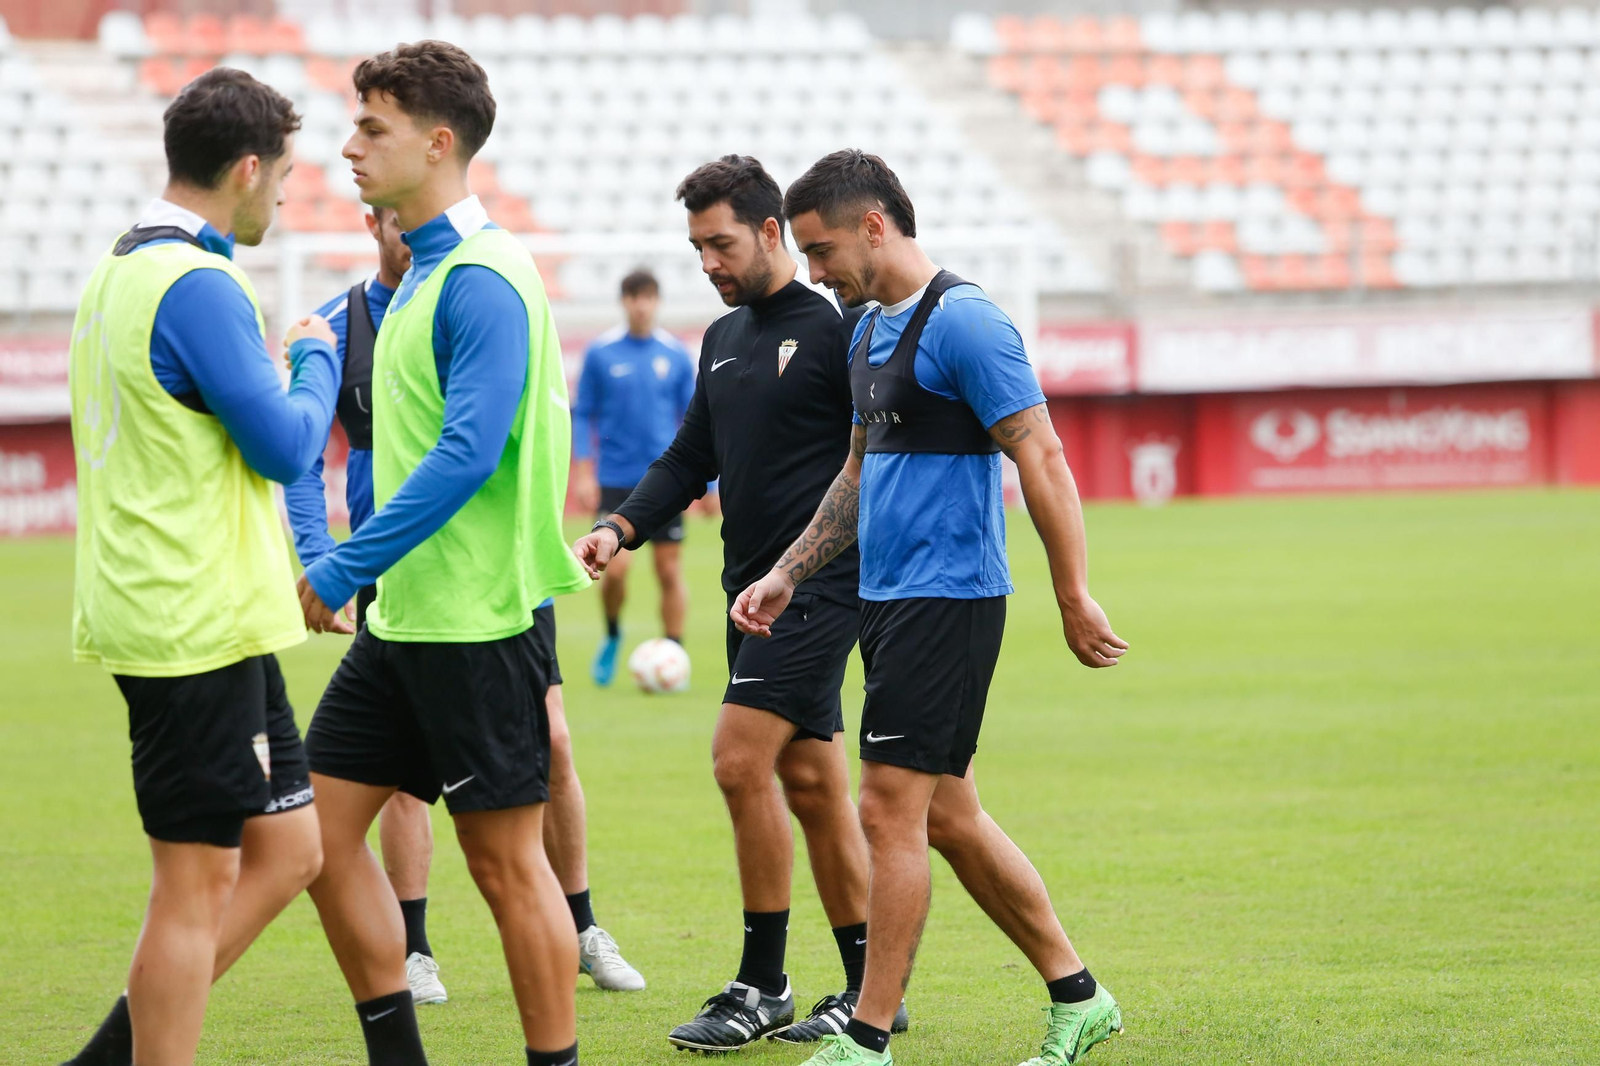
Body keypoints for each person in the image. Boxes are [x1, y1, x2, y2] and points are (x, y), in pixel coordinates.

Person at [732, 150, 1130, 1066]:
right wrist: (790, 570)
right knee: (948, 817)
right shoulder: (870, 332)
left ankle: (867, 1037)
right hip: (887, 598)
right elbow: (859, 473)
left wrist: (1072, 593)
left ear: (876, 225)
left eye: (823, 250)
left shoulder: (969, 322)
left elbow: (1043, 455)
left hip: (948, 600)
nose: (817, 270)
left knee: (886, 810)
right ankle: (1079, 995)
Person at [293, 41, 590, 1066]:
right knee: (312, 840)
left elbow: (469, 451)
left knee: (507, 869)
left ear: (437, 140)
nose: (348, 147)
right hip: (403, 622)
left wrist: (336, 563)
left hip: (475, 624)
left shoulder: (485, 277)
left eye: (371, 128)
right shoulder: (417, 277)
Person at [571, 155, 905, 1051]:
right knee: (808, 781)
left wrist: (811, 564)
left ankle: (763, 985)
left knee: (736, 760)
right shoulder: (720, 340)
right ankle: (873, 985)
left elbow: (871, 457)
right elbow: (689, 459)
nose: (708, 263)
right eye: (695, 248)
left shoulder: (841, 327)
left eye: (720, 243)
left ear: (770, 233)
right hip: (744, 593)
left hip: (818, 586)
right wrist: (619, 530)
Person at [283, 210, 644, 1004]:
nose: (401, 227)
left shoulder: (469, 288)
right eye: (384, 215)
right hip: (386, 570)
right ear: (371, 218)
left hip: (493, 571)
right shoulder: (342, 324)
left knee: (552, 744)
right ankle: (415, 951)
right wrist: (323, 561)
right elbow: (303, 463)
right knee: (400, 778)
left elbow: (477, 445)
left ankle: (580, 924)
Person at [62, 68, 337, 1066]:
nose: (285, 197)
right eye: (288, 176)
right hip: (189, 621)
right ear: (250, 168)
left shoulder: (118, 271)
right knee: (194, 886)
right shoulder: (199, 284)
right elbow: (282, 445)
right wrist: (312, 356)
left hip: (210, 613)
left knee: (289, 850)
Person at [571, 268, 695, 686]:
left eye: (647, 297)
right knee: (616, 571)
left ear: (656, 301)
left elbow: (698, 421)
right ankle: (611, 633)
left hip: (667, 480)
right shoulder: (601, 353)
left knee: (668, 570)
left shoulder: (675, 354)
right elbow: (582, 413)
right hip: (617, 478)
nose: (640, 304)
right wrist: (585, 472)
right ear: (624, 302)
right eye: (633, 297)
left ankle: (673, 653)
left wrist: (710, 483)